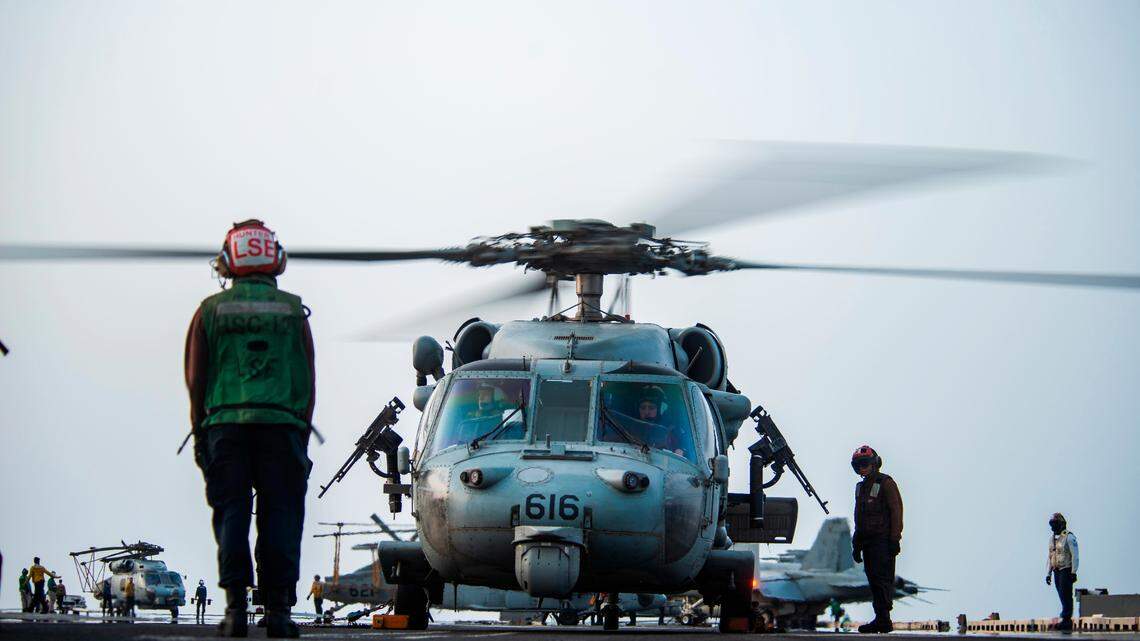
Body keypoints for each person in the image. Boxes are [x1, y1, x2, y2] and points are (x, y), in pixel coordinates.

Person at [185, 220, 315, 638]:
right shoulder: (294, 310)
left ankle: (235, 609)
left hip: (225, 427)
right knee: (281, 513)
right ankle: (278, 612)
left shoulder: (210, 311)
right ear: (274, 259)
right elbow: (308, 380)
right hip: (282, 428)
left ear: (229, 260)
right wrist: (301, 433)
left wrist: (199, 431)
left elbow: (195, 377)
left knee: (232, 513)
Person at [850, 445, 903, 634]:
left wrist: (894, 539)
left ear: (874, 464)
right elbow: (859, 517)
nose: (861, 469)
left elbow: (896, 511)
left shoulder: (886, 483)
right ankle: (880, 618)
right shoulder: (861, 488)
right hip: (867, 541)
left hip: (882, 540)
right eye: (857, 466)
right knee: (873, 579)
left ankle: (883, 619)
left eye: (864, 464)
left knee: (882, 580)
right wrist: (856, 544)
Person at [1045, 512, 1079, 631]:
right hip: (1056, 571)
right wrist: (1048, 573)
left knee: (1066, 594)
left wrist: (1073, 572)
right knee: (1061, 594)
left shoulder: (1069, 537)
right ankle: (1065, 616)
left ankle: (1066, 618)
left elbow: (1075, 556)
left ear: (1061, 524)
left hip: (1066, 569)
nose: (1052, 527)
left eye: (1054, 524)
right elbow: (1050, 556)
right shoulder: (1052, 540)